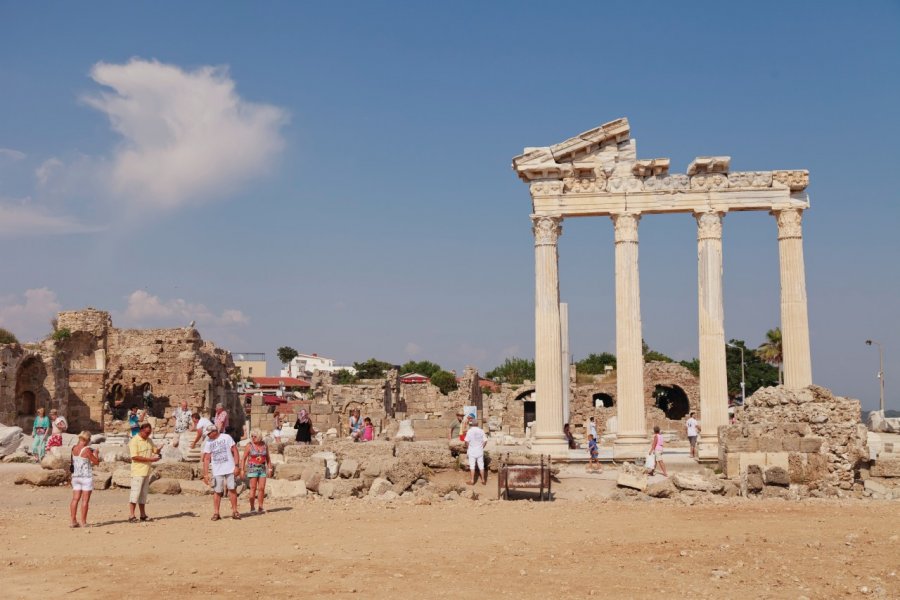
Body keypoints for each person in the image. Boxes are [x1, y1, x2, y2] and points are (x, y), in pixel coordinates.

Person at [202, 424, 241, 521]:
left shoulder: (226, 437)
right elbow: (206, 458)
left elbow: (235, 450)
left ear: (214, 431)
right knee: (217, 491)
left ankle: (235, 511)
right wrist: (205, 474)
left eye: (209, 433)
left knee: (232, 489)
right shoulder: (208, 442)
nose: (208, 435)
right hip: (217, 470)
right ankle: (216, 513)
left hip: (230, 468)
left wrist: (237, 466)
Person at [128, 423, 161, 522]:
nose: (148, 434)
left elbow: (155, 451)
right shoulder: (134, 441)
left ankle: (143, 515)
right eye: (146, 433)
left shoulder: (149, 440)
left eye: (149, 433)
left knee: (143, 495)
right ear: (141, 430)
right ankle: (131, 515)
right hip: (138, 471)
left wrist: (159, 450)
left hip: (146, 471)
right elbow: (134, 457)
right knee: (135, 494)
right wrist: (150, 459)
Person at [70, 431, 100, 528]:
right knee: (85, 501)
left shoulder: (73, 448)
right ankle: (83, 522)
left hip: (76, 477)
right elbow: (96, 462)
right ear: (88, 440)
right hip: (86, 477)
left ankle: (73, 521)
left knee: (75, 499)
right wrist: (96, 453)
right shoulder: (87, 450)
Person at [241, 429, 272, 514]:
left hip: (262, 468)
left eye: (255, 436)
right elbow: (243, 458)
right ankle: (252, 507)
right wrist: (242, 469)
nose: (253, 438)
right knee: (253, 488)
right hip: (252, 468)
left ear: (259, 436)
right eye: (252, 436)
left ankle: (261, 507)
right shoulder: (249, 445)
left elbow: (268, 458)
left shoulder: (264, 445)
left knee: (261, 488)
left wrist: (270, 468)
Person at [463, 417, 487, 485]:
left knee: (472, 466)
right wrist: (482, 447)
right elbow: (485, 441)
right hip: (479, 451)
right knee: (481, 465)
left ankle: (472, 480)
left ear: (471, 424)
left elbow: (466, 441)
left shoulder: (469, 431)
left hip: (472, 451)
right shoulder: (481, 431)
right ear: (477, 424)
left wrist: (468, 447)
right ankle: (483, 480)